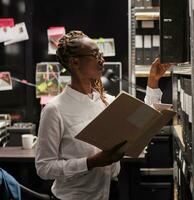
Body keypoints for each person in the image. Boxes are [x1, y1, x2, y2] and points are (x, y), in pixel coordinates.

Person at [35, 30, 171, 200]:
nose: (102, 59)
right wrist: (90, 162)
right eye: (95, 54)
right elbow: (44, 168)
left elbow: (141, 121)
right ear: (75, 62)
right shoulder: (54, 110)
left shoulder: (106, 100)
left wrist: (153, 81)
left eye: (100, 53)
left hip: (111, 193)